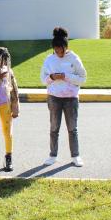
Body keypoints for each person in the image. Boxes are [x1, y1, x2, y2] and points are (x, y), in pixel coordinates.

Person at [40, 27, 87, 167]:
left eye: (61, 50)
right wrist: (52, 77)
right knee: (54, 128)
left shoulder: (74, 58)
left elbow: (83, 78)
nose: (59, 53)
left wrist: (66, 76)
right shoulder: (49, 59)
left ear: (66, 47)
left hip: (71, 98)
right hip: (54, 98)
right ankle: (52, 155)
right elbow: (43, 79)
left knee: (72, 128)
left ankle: (76, 156)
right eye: (56, 50)